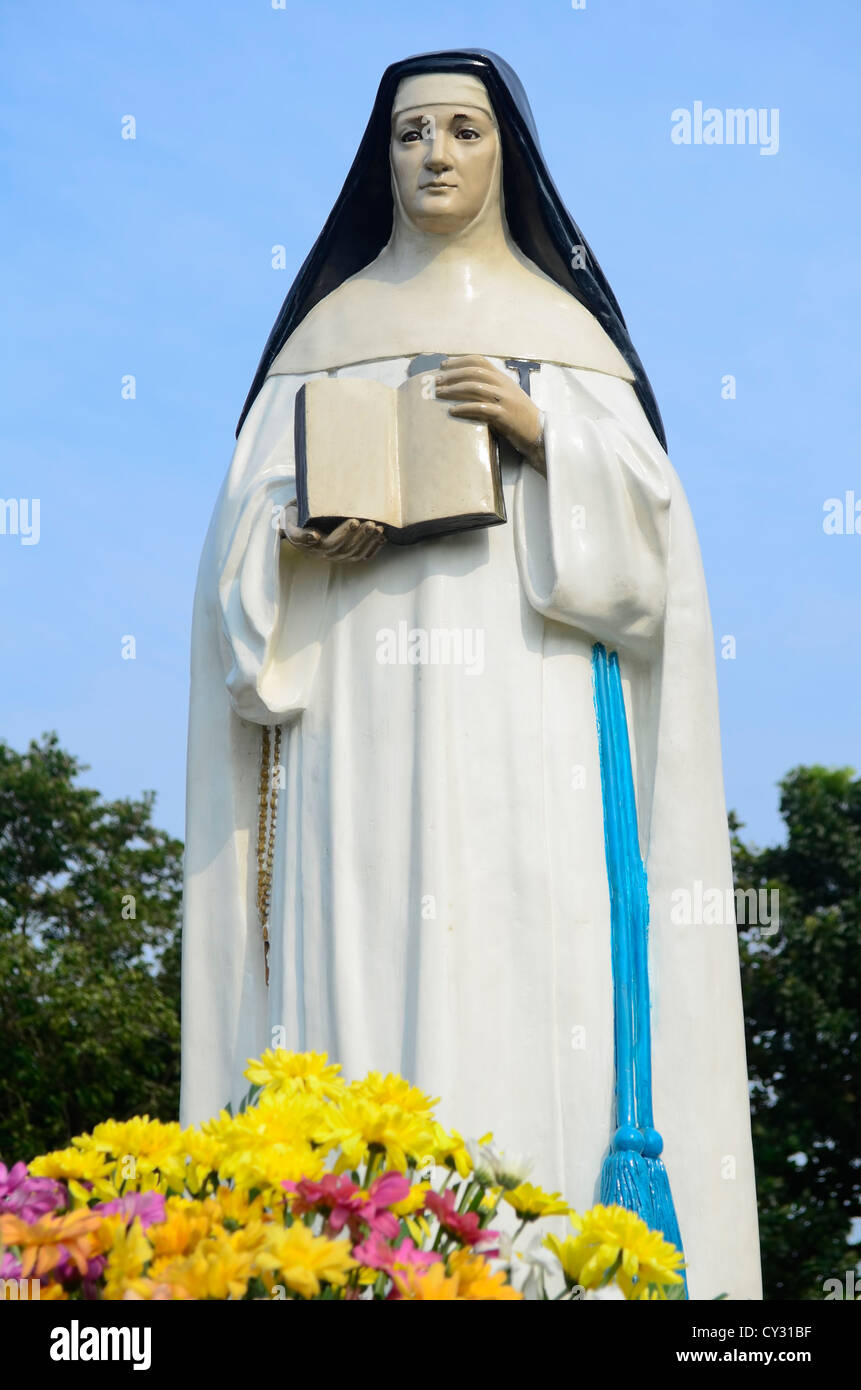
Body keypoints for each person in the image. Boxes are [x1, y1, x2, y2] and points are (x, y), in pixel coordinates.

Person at [180, 49, 762, 1299]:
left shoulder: (564, 339)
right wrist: (291, 536)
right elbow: (229, 574)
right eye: (410, 134)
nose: (435, 154)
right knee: (362, 976)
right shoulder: (325, 341)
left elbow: (660, 563)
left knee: (526, 977)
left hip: (530, 725)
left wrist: (543, 433)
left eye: (461, 130)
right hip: (356, 742)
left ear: (507, 154)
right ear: (379, 156)